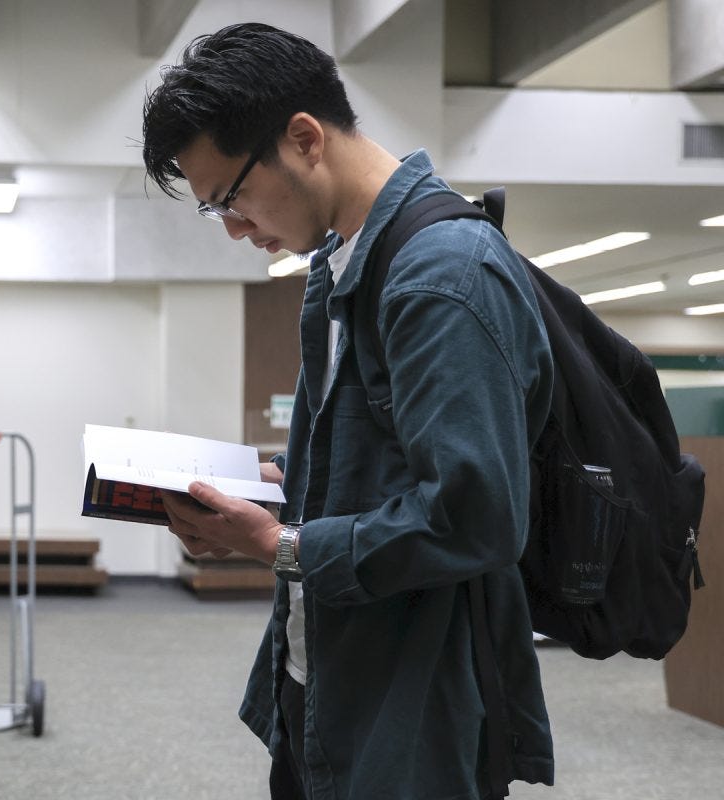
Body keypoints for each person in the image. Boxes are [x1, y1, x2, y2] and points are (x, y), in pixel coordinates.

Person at [141, 22, 556, 800]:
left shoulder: (440, 278)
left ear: (304, 139)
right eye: (213, 212)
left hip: (415, 702)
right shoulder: (345, 265)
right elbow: (381, 459)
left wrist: (279, 543)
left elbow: (476, 517)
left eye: (229, 198)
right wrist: (269, 481)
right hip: (330, 674)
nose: (233, 229)